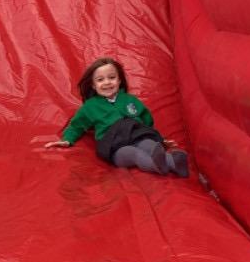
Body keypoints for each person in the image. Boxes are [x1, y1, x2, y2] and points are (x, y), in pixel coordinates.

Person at [44, 57, 189, 177]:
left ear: (119, 81)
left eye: (112, 77)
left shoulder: (130, 100)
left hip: (137, 135)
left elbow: (147, 123)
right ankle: (159, 164)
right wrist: (67, 140)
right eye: (100, 80)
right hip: (115, 144)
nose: (107, 82)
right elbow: (77, 126)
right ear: (93, 85)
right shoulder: (90, 107)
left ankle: (175, 163)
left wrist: (160, 139)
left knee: (149, 145)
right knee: (133, 154)